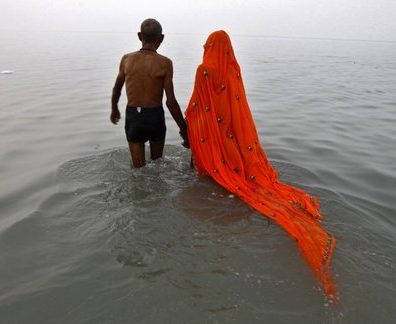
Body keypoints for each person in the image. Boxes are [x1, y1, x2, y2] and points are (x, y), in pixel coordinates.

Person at [185, 30, 337, 300]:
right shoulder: (233, 69)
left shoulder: (203, 70)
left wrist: (188, 123)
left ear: (209, 46)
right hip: (234, 138)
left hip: (211, 136)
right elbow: (238, 107)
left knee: (213, 174)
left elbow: (198, 105)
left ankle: (214, 182)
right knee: (236, 173)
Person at [111, 18, 189, 168]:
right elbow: (170, 101)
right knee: (157, 167)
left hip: (134, 116)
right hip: (155, 117)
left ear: (140, 36)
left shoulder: (126, 59)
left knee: (139, 170)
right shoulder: (165, 63)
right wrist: (184, 129)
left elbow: (117, 87)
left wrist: (114, 109)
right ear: (161, 38)